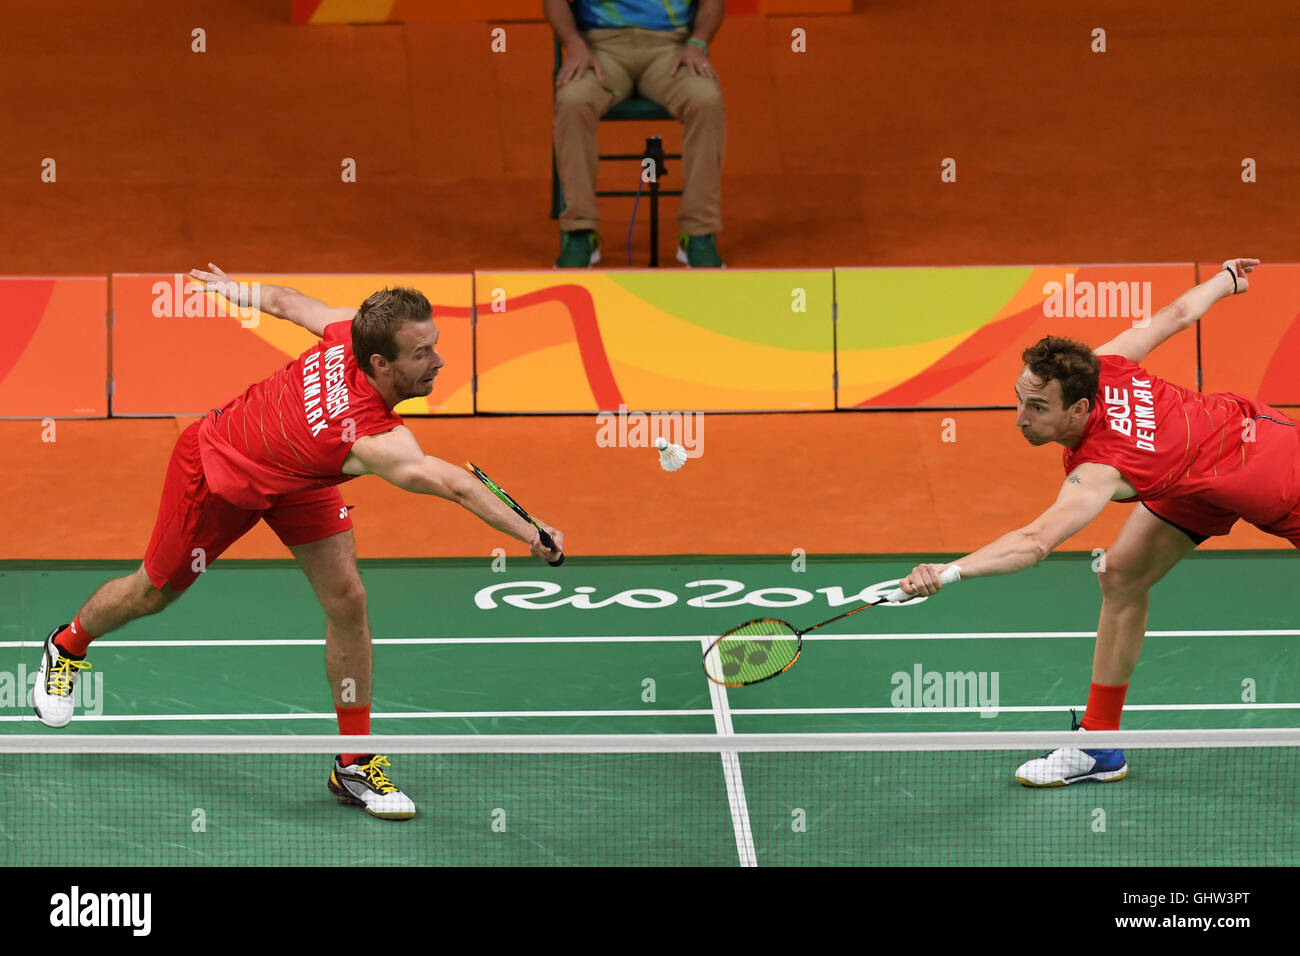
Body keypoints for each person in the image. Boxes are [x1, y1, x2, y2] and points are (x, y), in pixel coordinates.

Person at [31, 265, 565, 820]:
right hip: (220, 474)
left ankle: (353, 763)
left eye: (435, 346)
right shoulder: (375, 439)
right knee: (152, 593)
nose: (439, 361)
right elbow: (454, 483)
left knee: (347, 601)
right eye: (423, 353)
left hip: (303, 479)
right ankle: (67, 645)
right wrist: (530, 530)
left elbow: (286, 301)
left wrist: (239, 291)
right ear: (380, 362)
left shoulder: (348, 330)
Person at [896, 258, 1293, 787]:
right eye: (1020, 400)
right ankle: (1099, 743)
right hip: (1191, 476)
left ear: (1079, 407)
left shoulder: (1103, 468)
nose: (1020, 419)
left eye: (1037, 408)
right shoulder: (1104, 361)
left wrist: (947, 573)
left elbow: (1036, 541)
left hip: (1274, 468)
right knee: (1122, 575)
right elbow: (1175, 314)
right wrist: (1227, 278)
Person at [546, 0, 726, 268]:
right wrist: (573, 44)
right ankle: (580, 231)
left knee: (706, 99)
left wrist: (697, 42)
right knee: (573, 100)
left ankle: (698, 232)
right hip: (601, 49)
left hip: (670, 50)